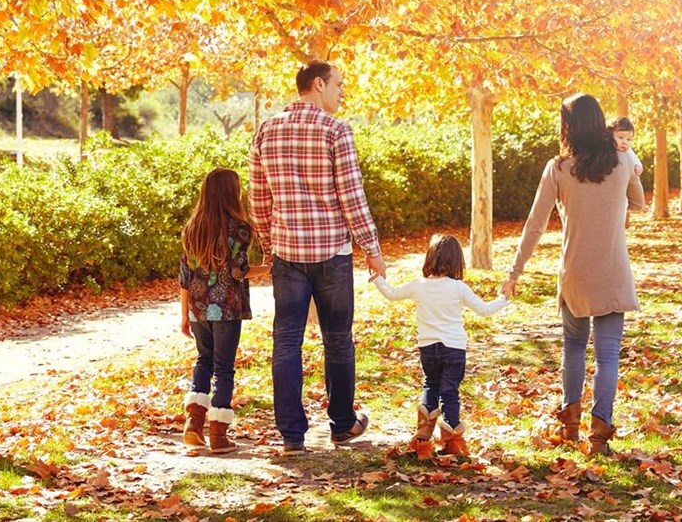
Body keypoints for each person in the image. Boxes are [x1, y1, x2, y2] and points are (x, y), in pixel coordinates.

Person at [250, 60, 386, 455]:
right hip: (331, 253)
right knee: (338, 340)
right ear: (318, 84)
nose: (342, 92)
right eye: (339, 85)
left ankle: (292, 436)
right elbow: (352, 197)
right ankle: (342, 425)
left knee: (286, 342)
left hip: (288, 254)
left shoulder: (267, 129)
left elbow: (259, 198)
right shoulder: (336, 130)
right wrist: (372, 250)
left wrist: (268, 244)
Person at [502, 94, 645, 455]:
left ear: (568, 126)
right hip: (613, 270)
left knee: (574, 346)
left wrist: (514, 271)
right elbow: (640, 203)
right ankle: (600, 434)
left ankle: (569, 427)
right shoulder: (623, 159)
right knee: (608, 353)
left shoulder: (558, 167)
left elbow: (535, 225)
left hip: (575, 274)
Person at [370, 234, 508, 456]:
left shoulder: (419, 285)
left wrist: (377, 278)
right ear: (457, 262)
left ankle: (423, 436)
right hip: (453, 349)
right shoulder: (458, 287)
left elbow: (392, 294)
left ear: (430, 258)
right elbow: (484, 310)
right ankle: (451, 441)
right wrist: (503, 298)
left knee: (430, 386)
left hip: (428, 348)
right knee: (449, 392)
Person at [179, 168, 256, 455]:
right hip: (227, 309)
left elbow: (185, 276)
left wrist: (184, 314)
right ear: (230, 193)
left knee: (204, 361)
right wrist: (270, 267)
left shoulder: (192, 227)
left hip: (199, 308)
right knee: (224, 368)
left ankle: (194, 425)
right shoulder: (239, 228)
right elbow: (239, 271)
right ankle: (219, 436)